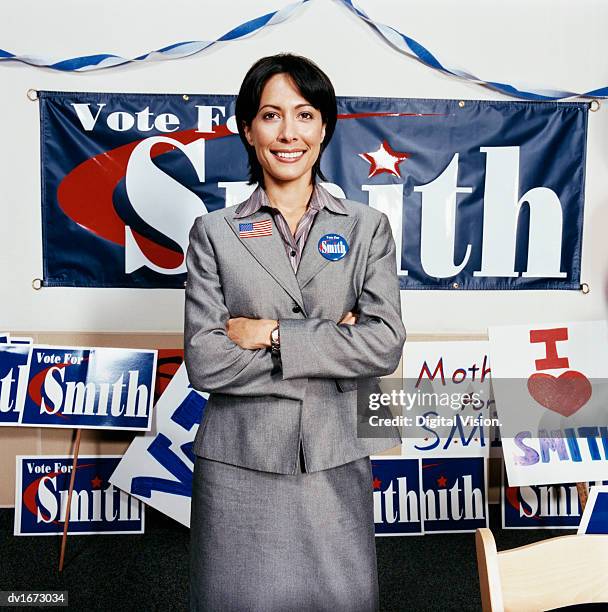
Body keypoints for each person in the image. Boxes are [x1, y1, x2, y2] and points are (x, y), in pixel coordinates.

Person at [185, 53, 406, 612]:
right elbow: (207, 362)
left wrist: (272, 334)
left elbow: (384, 344)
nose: (289, 133)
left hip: (337, 449)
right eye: (271, 116)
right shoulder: (213, 232)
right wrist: (332, 345)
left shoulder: (367, 228)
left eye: (305, 115)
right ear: (247, 129)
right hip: (240, 458)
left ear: (325, 128)